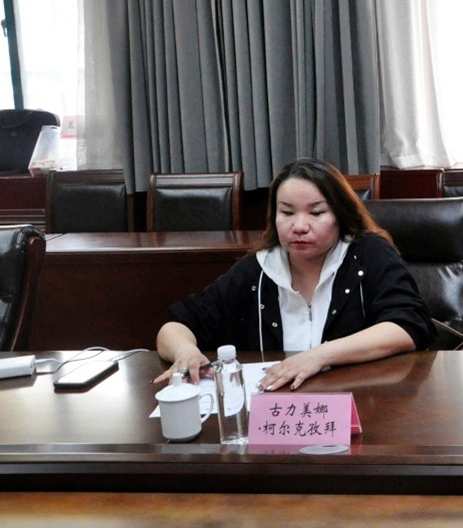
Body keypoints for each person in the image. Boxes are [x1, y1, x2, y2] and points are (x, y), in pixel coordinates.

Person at [155, 158, 436, 390]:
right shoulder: (258, 270)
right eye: (287, 212)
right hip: (278, 411)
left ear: (340, 215)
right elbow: (175, 327)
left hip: (364, 404)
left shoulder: (367, 254)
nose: (299, 226)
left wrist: (318, 356)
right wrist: (185, 352)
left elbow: (408, 325)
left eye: (316, 213)